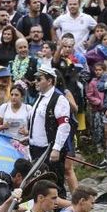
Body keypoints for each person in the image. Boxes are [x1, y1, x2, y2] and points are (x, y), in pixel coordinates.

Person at [28, 66, 71, 195]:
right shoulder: (40, 97)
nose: (36, 81)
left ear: (50, 81)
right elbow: (39, 121)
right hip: (36, 148)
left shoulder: (59, 99)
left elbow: (64, 125)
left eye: (39, 79)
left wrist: (57, 148)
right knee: (39, 184)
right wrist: (30, 137)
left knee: (55, 184)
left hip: (49, 149)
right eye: (35, 79)